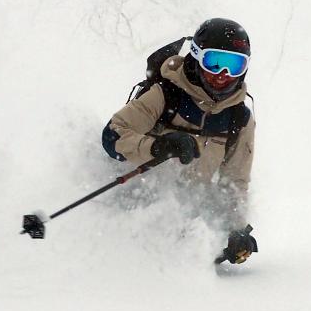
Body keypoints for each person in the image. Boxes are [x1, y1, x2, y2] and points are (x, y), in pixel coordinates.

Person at [101, 18, 258, 264]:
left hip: (186, 214)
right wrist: (156, 146)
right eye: (214, 62)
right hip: (135, 198)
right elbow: (113, 135)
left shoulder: (239, 118)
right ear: (196, 57)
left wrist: (235, 229)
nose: (223, 74)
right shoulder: (166, 95)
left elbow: (234, 182)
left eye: (234, 65)